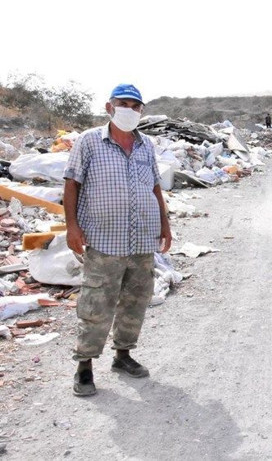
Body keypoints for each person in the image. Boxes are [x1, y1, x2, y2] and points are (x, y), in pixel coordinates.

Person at [63, 83, 172, 397]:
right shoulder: (89, 142)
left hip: (142, 240)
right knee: (96, 304)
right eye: (124, 104)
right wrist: (72, 227)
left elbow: (154, 186)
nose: (131, 110)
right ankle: (84, 366)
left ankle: (123, 356)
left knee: (135, 302)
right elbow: (72, 184)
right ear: (110, 108)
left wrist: (165, 224)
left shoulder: (145, 145)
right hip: (104, 240)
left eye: (136, 106)